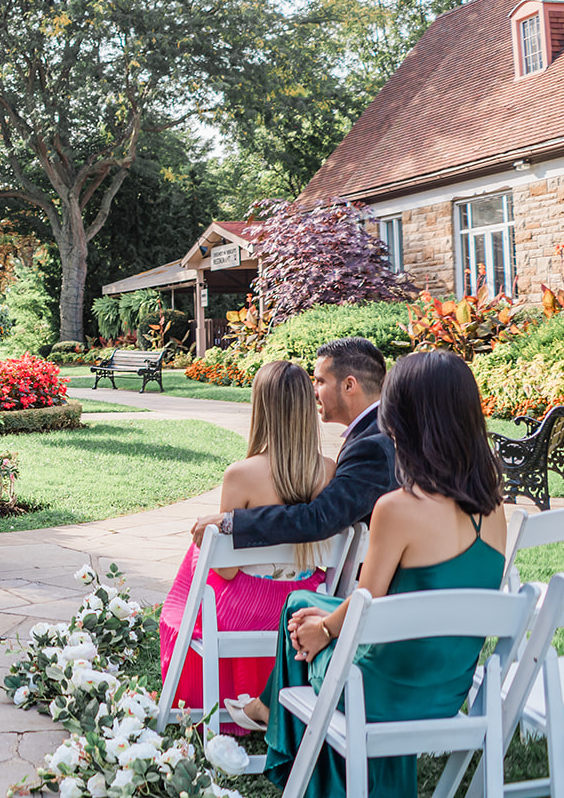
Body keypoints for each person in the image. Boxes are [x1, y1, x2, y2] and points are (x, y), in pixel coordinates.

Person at [234, 351, 508, 797]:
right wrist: (321, 620)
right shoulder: (494, 510)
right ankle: (282, 725)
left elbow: (367, 604)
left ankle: (302, 771)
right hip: (448, 685)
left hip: (385, 689)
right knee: (303, 605)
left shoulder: (399, 508)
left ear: (408, 419)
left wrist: (322, 629)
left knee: (300, 618)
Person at [159, 361, 336, 734]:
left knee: (200, 556)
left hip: (244, 613)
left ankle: (209, 698)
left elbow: (226, 570)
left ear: (261, 409)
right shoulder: (328, 471)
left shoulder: (240, 475)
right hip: (304, 604)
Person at [192, 337, 395, 550]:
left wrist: (231, 522)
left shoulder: (373, 446)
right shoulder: (378, 431)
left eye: (320, 381)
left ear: (349, 385)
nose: (313, 391)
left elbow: (318, 519)